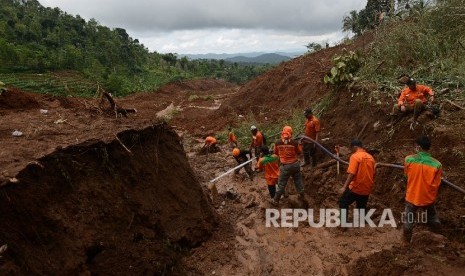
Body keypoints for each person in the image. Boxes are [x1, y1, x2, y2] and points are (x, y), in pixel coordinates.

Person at [402, 135, 442, 244]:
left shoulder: (409, 159)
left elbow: (406, 176)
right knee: (432, 217)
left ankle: (405, 243)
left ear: (418, 147)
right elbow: (437, 183)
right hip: (427, 198)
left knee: (409, 220)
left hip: (412, 196)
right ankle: (438, 236)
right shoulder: (437, 164)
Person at [338, 139, 375, 224]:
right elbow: (373, 173)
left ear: (355, 147)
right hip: (367, 188)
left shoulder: (355, 156)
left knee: (343, 202)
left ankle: (343, 223)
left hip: (356, 187)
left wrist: (344, 187)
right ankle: (361, 223)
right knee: (361, 206)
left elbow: (352, 173)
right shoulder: (371, 158)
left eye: (352, 149)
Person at [271, 126, 305, 206]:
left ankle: (275, 200)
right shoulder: (294, 143)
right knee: (298, 181)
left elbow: (275, 153)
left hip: (285, 166)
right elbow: (299, 152)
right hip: (295, 165)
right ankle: (302, 196)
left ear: (282, 133)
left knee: (281, 184)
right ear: (291, 133)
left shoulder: (278, 143)